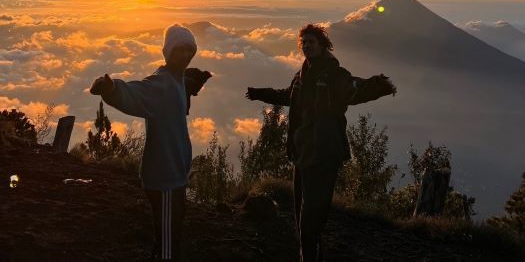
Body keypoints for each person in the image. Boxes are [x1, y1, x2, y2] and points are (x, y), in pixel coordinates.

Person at [245, 23, 396, 262]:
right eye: (303, 42)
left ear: (322, 45)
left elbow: (352, 89)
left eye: (311, 42)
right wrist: (261, 93)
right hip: (302, 152)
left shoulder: (334, 74)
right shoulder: (302, 75)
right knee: (301, 214)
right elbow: (288, 95)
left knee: (311, 218)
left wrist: (376, 86)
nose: (306, 46)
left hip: (324, 154)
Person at [89, 24, 211, 261]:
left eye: (189, 50)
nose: (185, 55)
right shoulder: (161, 83)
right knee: (168, 247)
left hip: (176, 175)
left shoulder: (177, 80)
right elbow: (135, 92)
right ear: (167, 52)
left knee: (170, 236)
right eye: (179, 50)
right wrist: (111, 89)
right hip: (164, 178)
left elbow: (186, 82)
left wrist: (197, 78)